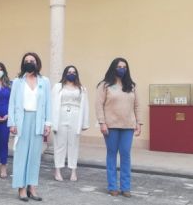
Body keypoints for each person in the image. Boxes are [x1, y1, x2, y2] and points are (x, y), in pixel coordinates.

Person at [95, 57, 142, 198]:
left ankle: (126, 187)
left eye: (124, 67)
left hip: (128, 126)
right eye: (119, 66)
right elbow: (98, 105)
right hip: (111, 126)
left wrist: (139, 123)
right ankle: (112, 186)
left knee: (126, 154)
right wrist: (102, 123)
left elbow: (137, 106)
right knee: (112, 154)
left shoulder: (131, 86)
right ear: (113, 68)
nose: (122, 69)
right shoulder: (104, 85)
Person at [8, 52, 51, 202]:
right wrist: (12, 123)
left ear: (37, 63)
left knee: (34, 156)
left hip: (38, 120)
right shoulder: (18, 81)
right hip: (22, 120)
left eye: (32, 60)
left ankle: (32, 187)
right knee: (21, 155)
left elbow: (48, 104)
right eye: (26, 61)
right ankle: (21, 188)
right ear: (23, 64)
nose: (29, 62)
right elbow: (12, 103)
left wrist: (48, 123)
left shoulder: (44, 81)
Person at [51, 65, 89, 182]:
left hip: (75, 116)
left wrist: (84, 123)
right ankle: (57, 170)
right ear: (65, 73)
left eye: (73, 72)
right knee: (59, 144)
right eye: (69, 72)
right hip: (61, 115)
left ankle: (73, 170)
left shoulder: (82, 89)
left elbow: (85, 106)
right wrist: (51, 122)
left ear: (76, 74)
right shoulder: (58, 87)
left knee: (74, 144)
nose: (71, 74)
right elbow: (52, 103)